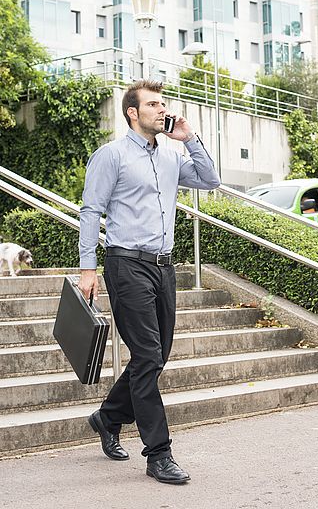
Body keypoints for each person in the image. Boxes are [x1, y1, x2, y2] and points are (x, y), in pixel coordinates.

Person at [78, 80, 221, 485]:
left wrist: (190, 138)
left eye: (163, 104)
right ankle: (159, 453)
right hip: (125, 265)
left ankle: (106, 418)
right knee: (147, 356)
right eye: (153, 104)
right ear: (132, 113)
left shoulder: (173, 157)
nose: (162, 110)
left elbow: (211, 180)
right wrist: (88, 269)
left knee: (155, 357)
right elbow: (91, 211)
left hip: (163, 267)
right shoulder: (112, 155)